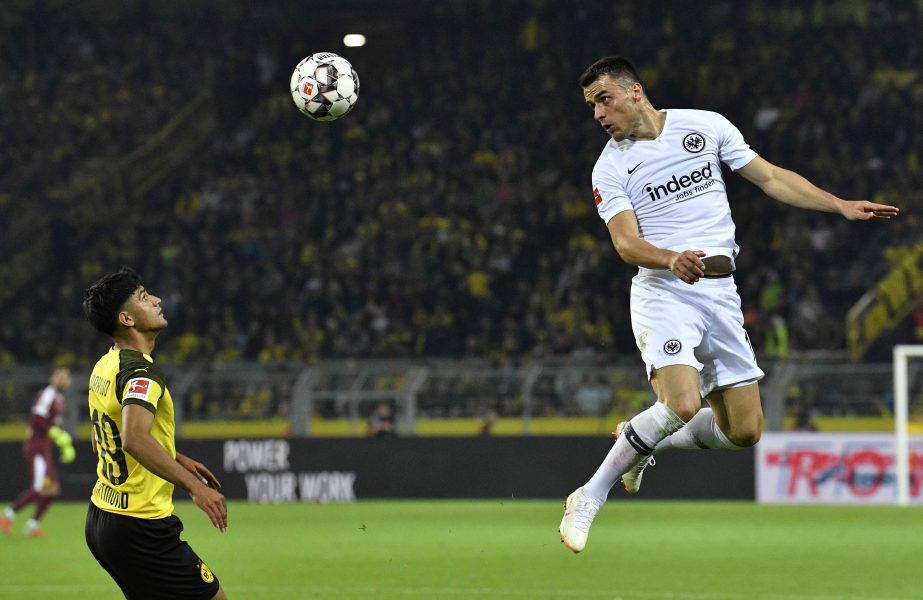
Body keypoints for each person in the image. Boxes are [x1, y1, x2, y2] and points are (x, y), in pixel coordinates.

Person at [559, 56, 899, 554]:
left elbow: (772, 178)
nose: (598, 115)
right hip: (664, 290)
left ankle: (638, 440)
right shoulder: (609, 167)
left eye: (604, 100)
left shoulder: (705, 126)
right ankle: (588, 496)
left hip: (720, 292)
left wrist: (838, 204)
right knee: (681, 402)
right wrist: (670, 257)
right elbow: (625, 243)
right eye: (591, 106)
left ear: (635, 92)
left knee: (745, 431)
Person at [81, 267, 230, 599]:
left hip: (103, 518)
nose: (157, 300)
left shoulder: (106, 365)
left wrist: (173, 455)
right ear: (127, 319)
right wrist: (195, 488)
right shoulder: (142, 373)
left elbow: (104, 439)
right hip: (140, 526)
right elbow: (133, 439)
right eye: (144, 297)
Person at [0, 368, 75, 537]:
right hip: (36, 447)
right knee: (40, 487)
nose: (63, 380)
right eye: (60, 376)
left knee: (52, 488)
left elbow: (51, 425)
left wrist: (62, 442)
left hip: (44, 448)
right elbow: (37, 418)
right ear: (53, 378)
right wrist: (55, 433)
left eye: (66, 377)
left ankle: (32, 525)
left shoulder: (59, 398)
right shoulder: (48, 394)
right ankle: (7, 516)